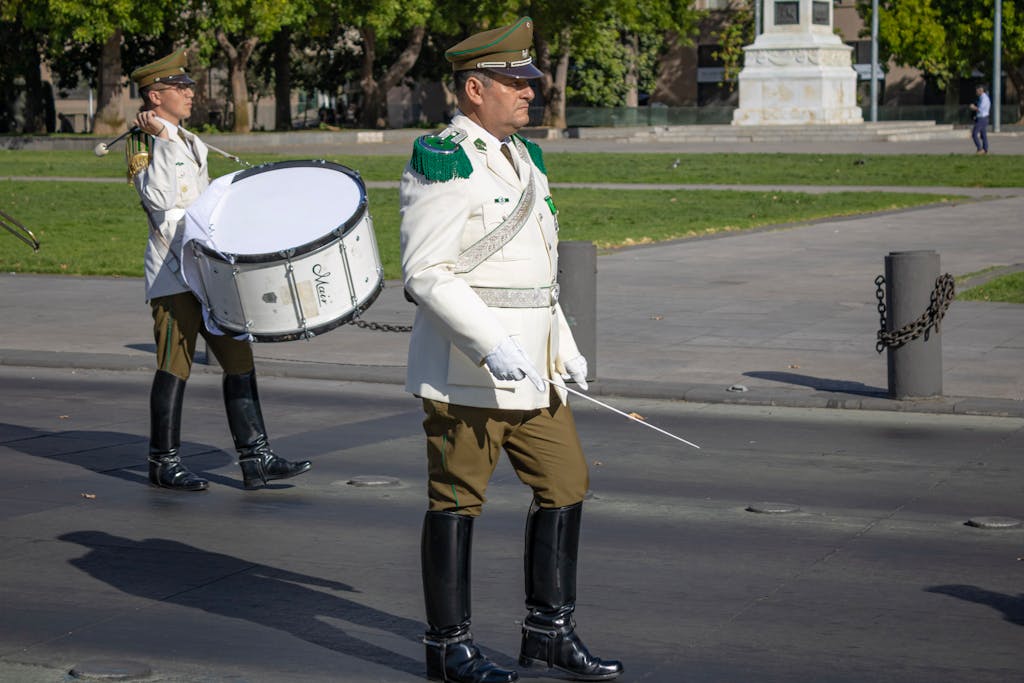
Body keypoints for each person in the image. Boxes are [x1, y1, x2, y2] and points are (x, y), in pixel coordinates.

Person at [399, 17, 623, 683]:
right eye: (516, 82)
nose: (532, 91)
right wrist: (490, 342)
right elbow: (425, 271)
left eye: (530, 81)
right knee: (457, 500)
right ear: (475, 88)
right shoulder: (445, 158)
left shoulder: (527, 160)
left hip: (536, 370)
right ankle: (449, 646)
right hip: (471, 370)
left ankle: (548, 631)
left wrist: (568, 347)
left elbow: (538, 272)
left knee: (566, 482)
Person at [128, 50, 311, 492]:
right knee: (175, 364)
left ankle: (256, 458)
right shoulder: (143, 143)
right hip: (174, 275)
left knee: (238, 359)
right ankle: (162, 461)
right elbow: (160, 198)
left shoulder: (189, 140)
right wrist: (164, 141)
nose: (191, 92)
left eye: (189, 86)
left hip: (208, 272)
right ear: (156, 96)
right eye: (180, 87)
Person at [969, 84, 991, 155]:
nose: (976, 92)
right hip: (982, 118)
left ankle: (980, 149)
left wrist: (973, 107)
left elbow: (981, 109)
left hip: (982, 118)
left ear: (981, 90)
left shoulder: (984, 98)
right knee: (983, 135)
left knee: (974, 134)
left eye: (977, 91)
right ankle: (985, 150)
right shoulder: (981, 97)